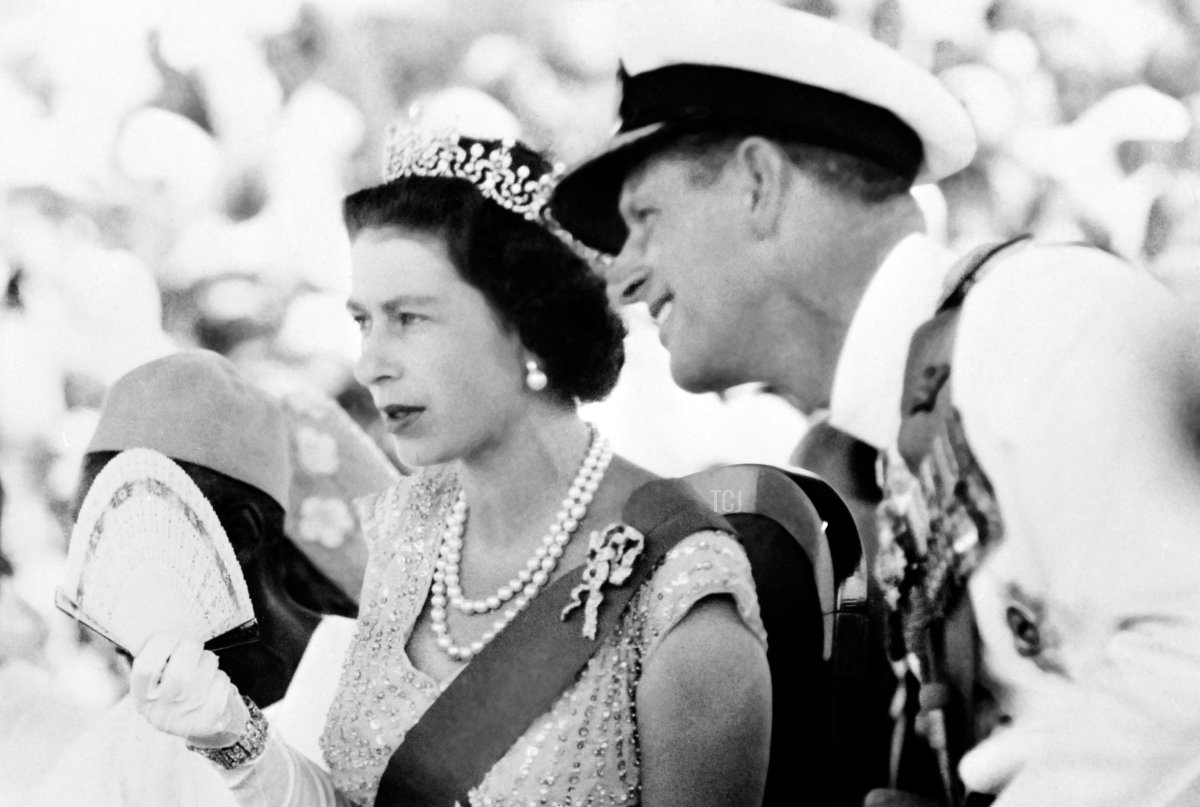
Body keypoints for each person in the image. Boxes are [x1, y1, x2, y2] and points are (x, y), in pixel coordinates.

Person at [548, 1, 1200, 805]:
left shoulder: (1043, 320)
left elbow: (1187, 670)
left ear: (758, 185)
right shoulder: (898, 427)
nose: (623, 275)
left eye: (645, 218)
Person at [125, 130, 774, 807]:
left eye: (409, 318)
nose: (371, 363)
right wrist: (231, 733)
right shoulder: (410, 525)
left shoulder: (680, 592)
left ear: (527, 324)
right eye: (362, 322)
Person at [29, 350, 398, 806]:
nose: (105, 581)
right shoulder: (123, 746)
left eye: (127, 535)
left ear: (242, 533)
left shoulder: (387, 679)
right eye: (90, 539)